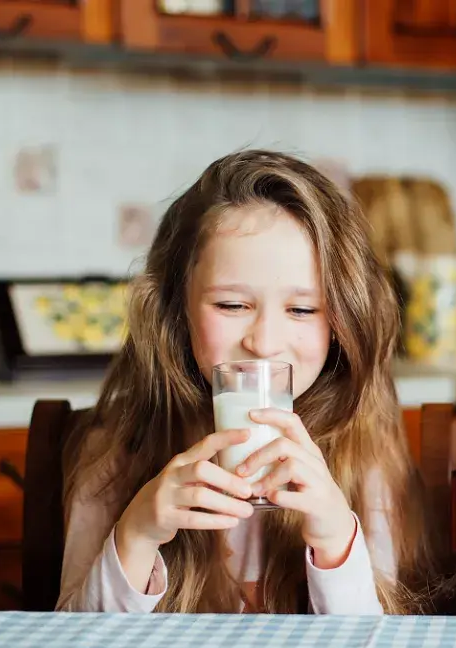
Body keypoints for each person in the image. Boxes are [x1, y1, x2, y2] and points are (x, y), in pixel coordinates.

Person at [57, 150, 435, 614]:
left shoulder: (364, 456)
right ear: (176, 311)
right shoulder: (116, 454)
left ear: (342, 321)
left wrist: (337, 541)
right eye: (232, 306)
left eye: (302, 309)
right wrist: (136, 535)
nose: (265, 342)